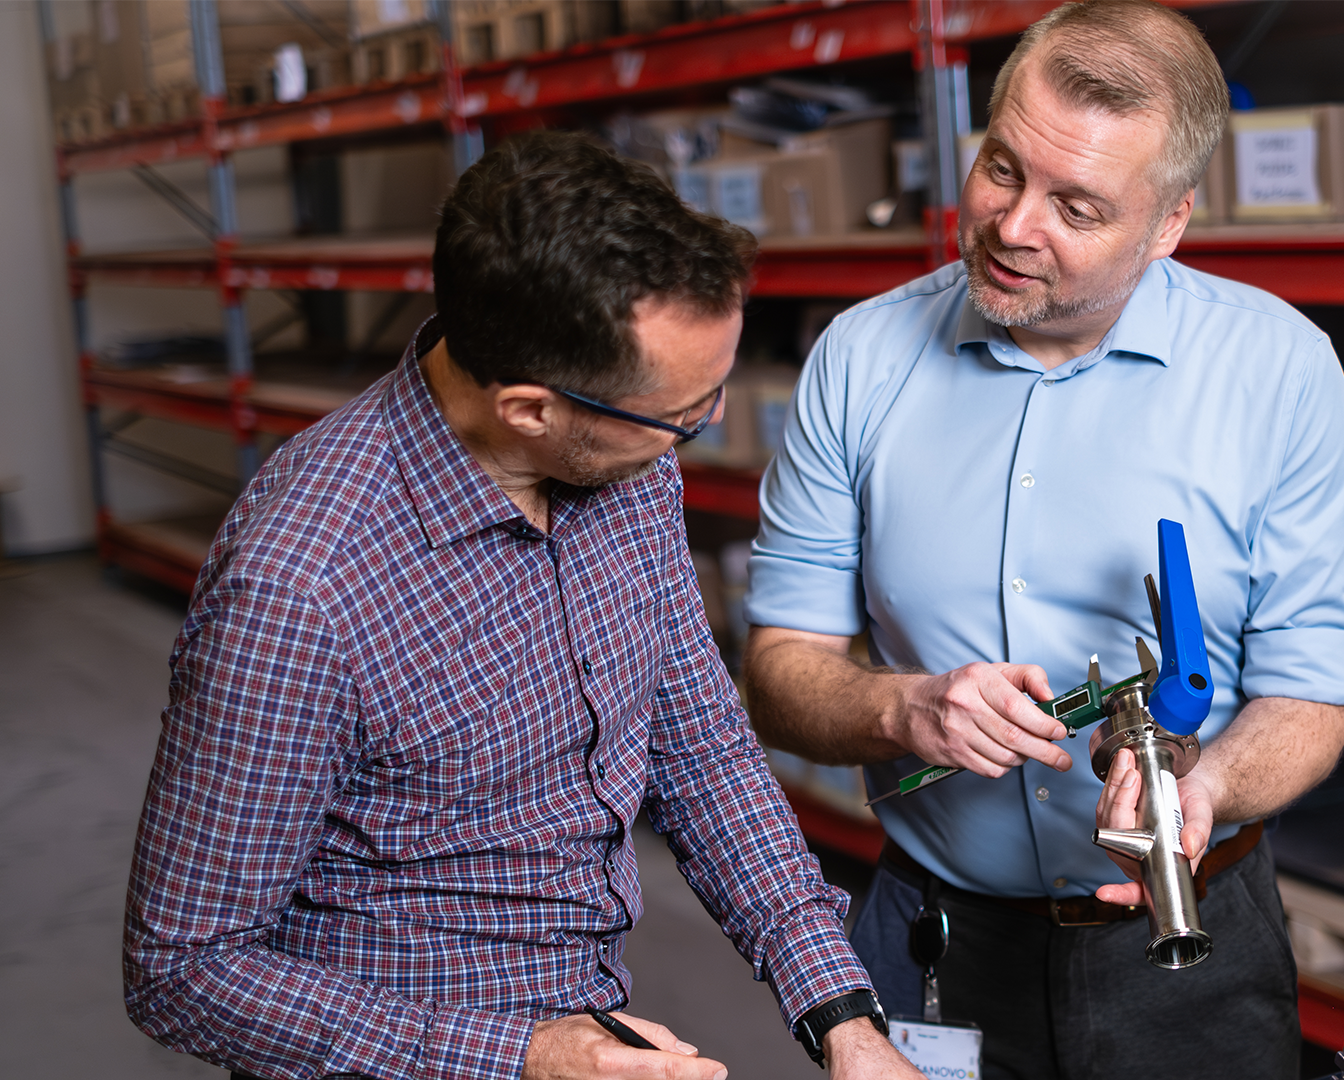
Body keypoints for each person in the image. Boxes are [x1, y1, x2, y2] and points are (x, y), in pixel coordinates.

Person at [123, 131, 922, 1080]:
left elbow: (699, 744)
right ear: (532, 411)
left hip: (583, 1020)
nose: (702, 430)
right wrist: (525, 1054)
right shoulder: (300, 588)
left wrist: (839, 1010)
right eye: (682, 412)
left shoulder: (626, 469)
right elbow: (182, 970)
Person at [741, 3, 1344, 1079]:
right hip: (931, 940)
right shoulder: (858, 358)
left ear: (1168, 223)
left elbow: (1312, 688)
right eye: (1001, 169)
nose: (1012, 224)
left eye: (1076, 205)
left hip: (1190, 949)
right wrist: (900, 706)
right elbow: (778, 670)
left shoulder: (1280, 372)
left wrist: (1207, 787)